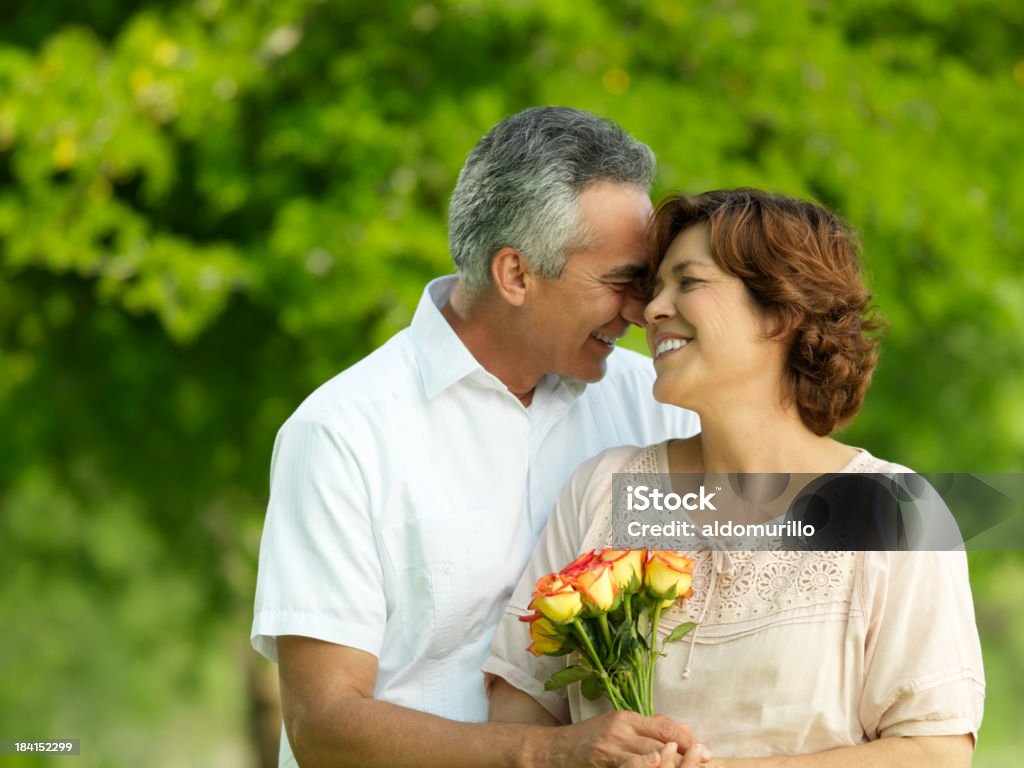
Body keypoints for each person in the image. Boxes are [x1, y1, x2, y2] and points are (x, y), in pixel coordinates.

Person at [251, 107, 705, 768]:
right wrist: (547, 755)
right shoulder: (342, 436)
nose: (641, 312)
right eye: (620, 282)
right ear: (515, 274)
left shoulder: (659, 408)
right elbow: (323, 724)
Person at [485, 189, 985, 767]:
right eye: (655, 289)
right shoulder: (604, 487)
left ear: (782, 309)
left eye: (688, 282)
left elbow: (935, 752)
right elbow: (520, 718)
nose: (650, 310)